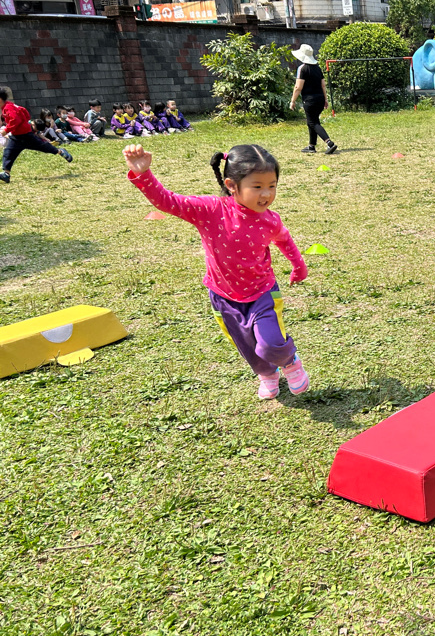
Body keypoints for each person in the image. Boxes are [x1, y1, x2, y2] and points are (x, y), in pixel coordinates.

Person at [123, 142, 310, 399]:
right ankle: (267, 375)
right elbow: (167, 201)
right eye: (257, 187)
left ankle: (290, 363)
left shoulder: (270, 219)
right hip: (224, 297)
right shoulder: (210, 210)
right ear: (232, 185)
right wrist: (143, 174)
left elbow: (284, 240)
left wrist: (299, 266)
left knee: (271, 343)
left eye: (272, 185)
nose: (266, 194)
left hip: (262, 293)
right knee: (247, 346)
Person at [0, 86, 73, 184]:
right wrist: (25, 122)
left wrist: (6, 130)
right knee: (8, 153)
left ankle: (60, 151)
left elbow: (15, 120)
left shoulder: (8, 108)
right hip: (17, 136)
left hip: (25, 135)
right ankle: (6, 174)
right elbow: (24, 111)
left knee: (42, 146)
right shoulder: (10, 105)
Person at [288, 43, 337, 154]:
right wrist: (325, 99)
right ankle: (311, 146)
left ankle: (330, 143)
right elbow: (323, 85)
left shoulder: (302, 69)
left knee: (313, 123)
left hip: (309, 100)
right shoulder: (318, 68)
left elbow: (298, 87)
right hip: (320, 99)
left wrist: (292, 101)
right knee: (313, 121)